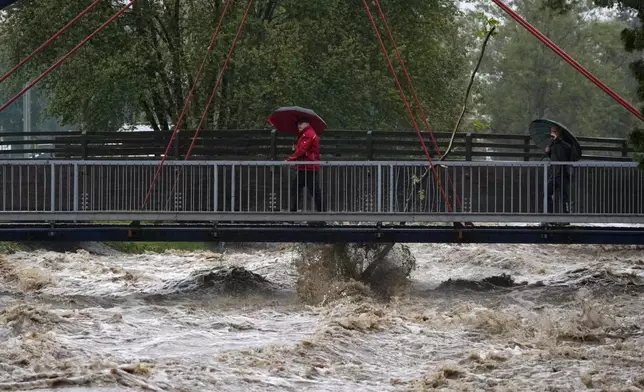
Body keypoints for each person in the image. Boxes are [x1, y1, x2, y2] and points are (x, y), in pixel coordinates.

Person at [286, 117, 325, 213]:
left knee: (301, 189)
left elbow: (302, 150)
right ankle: (322, 212)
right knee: (309, 190)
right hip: (306, 166)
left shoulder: (308, 134)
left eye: (300, 123)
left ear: (307, 124)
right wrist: (296, 148)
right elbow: (304, 150)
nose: (298, 126)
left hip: (308, 167)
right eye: (298, 124)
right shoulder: (307, 134)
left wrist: (289, 160)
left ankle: (294, 212)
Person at [545, 125, 572, 215]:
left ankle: (566, 217)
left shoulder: (565, 142)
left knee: (564, 197)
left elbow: (567, 150)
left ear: (559, 132)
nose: (552, 133)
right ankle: (549, 215)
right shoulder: (553, 143)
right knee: (547, 193)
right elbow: (554, 157)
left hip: (563, 173)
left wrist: (558, 140)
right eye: (552, 131)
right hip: (554, 173)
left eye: (555, 131)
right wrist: (548, 152)